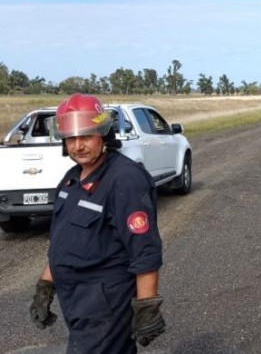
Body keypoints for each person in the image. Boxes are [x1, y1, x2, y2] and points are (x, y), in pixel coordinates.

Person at [29, 93, 166, 353]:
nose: (78, 146)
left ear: (103, 135)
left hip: (105, 304)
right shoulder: (71, 179)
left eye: (86, 137)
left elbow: (144, 249)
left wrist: (147, 306)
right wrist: (45, 285)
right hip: (76, 300)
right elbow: (65, 240)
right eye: (71, 138)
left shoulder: (125, 179)